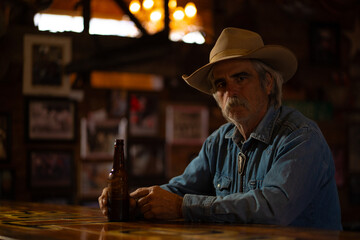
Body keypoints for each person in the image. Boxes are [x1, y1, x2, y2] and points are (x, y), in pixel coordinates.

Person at [98, 27, 342, 230]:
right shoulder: (219, 142)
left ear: (268, 83)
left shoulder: (300, 137)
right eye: (221, 84)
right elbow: (178, 189)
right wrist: (131, 201)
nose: (230, 91)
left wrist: (183, 207)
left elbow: (274, 209)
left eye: (241, 78)